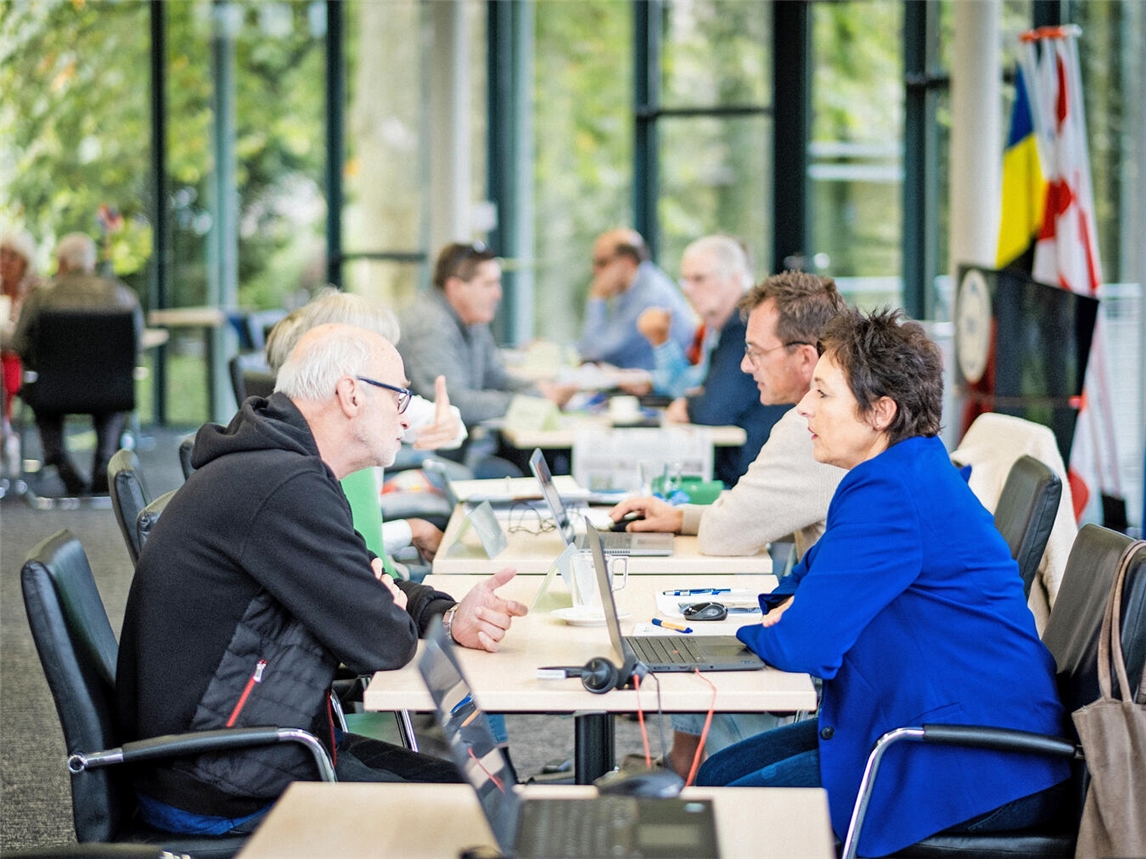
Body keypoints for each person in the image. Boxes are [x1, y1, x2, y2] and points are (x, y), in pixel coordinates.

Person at [117, 323, 529, 835]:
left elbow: (362, 579)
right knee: (483, 811)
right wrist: (382, 605)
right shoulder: (283, 486)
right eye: (400, 396)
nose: (407, 415)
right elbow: (381, 642)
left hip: (241, 749)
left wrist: (443, 613)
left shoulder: (283, 468)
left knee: (476, 791)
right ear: (351, 394)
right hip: (223, 780)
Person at [696, 308, 1070, 857]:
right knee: (716, 776)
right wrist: (789, 612)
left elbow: (805, 644)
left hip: (978, 759)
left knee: (723, 814)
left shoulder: (893, 494)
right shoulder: (894, 473)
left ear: (880, 412)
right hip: (918, 719)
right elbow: (799, 582)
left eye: (822, 393)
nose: (806, 408)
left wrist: (766, 627)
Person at [610, 270, 848, 777]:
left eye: (756, 353)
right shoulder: (844, 416)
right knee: (703, 633)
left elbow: (728, 532)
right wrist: (680, 516)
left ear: (806, 358)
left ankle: (691, 785)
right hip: (835, 652)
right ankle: (680, 776)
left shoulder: (813, 424)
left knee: (698, 653)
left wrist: (692, 521)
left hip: (839, 685)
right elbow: (760, 515)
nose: (745, 366)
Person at [263, 287, 468, 564]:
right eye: (380, 348)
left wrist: (448, 424)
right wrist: (412, 530)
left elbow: (439, 419)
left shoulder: (343, 416)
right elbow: (347, 549)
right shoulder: (339, 446)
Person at [639, 235, 786, 487]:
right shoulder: (721, 328)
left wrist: (690, 405)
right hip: (749, 467)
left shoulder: (745, 325)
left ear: (736, 278)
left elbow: (713, 409)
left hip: (753, 474)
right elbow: (703, 391)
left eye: (699, 279)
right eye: (685, 280)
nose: (687, 289)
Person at [11, 232, 142, 495]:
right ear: (91, 264)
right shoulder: (123, 295)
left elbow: (18, 344)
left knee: (40, 392)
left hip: (53, 392)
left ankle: (58, 459)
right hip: (110, 392)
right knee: (113, 388)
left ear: (61, 263)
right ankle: (105, 459)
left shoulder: (40, 297)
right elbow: (134, 347)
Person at [398, 242, 574, 427]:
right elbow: (454, 404)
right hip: (428, 450)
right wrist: (533, 398)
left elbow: (495, 377)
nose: (498, 294)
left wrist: (537, 389)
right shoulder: (430, 325)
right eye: (489, 284)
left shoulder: (471, 318)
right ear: (455, 287)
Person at [577, 229, 695, 371]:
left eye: (602, 262)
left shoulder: (648, 297)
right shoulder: (634, 289)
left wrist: (596, 297)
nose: (595, 270)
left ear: (627, 262)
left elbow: (594, 352)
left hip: (662, 388)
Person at [1, 229, 40, 475]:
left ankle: (5, 431)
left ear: (24, 260)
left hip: (26, 364)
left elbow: (23, 340)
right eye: (1, 254)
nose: (4, 261)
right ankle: (5, 431)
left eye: (11, 256)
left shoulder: (37, 292)